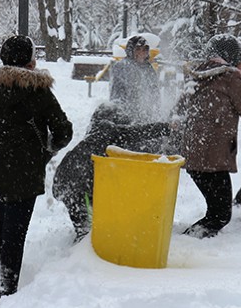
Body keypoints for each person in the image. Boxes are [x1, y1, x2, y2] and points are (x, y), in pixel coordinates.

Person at [0, 35, 73, 299]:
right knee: (15, 232)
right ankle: (7, 290)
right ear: (30, 61)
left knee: (2, 225)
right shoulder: (39, 92)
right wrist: (46, 151)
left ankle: (3, 278)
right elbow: (64, 132)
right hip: (24, 175)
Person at [173, 34, 241, 239]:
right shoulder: (229, 78)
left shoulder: (195, 75)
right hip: (214, 159)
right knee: (220, 215)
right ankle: (188, 241)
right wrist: (237, 81)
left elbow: (178, 110)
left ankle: (192, 240)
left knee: (216, 212)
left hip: (194, 155)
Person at [52, 102, 172, 243]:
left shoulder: (94, 132)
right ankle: (87, 249)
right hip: (82, 179)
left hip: (64, 178)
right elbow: (136, 132)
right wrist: (165, 127)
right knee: (89, 229)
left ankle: (80, 243)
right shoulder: (110, 130)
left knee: (81, 217)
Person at [109, 35, 161, 124]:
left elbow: (154, 91)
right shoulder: (122, 66)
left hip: (146, 116)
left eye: (144, 50)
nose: (141, 53)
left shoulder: (148, 68)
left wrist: (155, 110)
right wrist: (122, 115)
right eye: (138, 49)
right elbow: (117, 93)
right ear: (130, 51)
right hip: (127, 116)